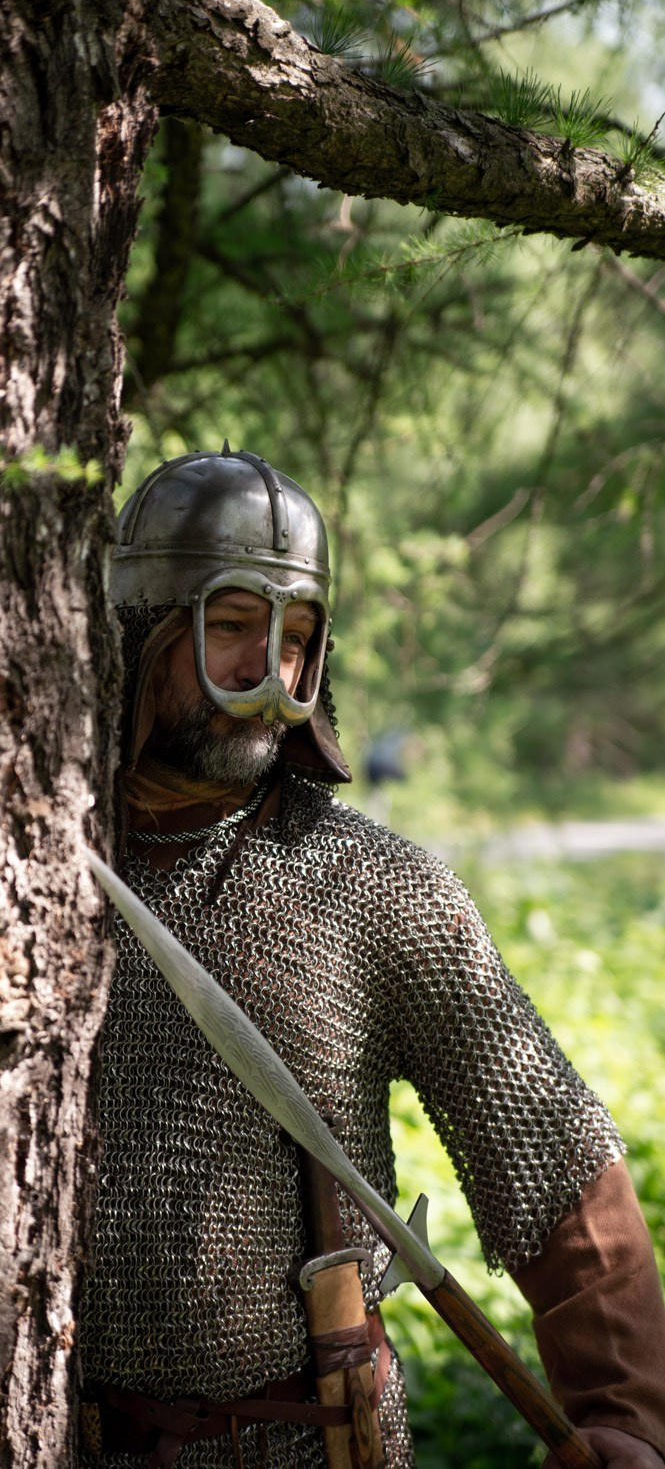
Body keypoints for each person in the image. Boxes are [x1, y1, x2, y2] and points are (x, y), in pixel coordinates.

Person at [78, 446, 665, 1469]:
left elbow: (553, 1160)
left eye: (295, 640)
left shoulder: (371, 887)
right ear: (139, 635)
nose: (271, 677)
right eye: (229, 630)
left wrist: (623, 1412)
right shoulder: (27, 876)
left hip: (303, 1442)